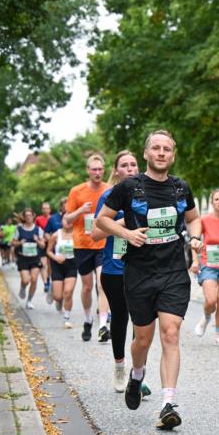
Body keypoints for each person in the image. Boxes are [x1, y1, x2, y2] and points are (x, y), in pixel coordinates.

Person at [97, 129, 202, 430]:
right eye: (155, 148)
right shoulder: (129, 188)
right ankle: (137, 374)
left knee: (170, 333)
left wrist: (195, 238)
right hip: (139, 273)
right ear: (146, 153)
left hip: (172, 273)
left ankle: (168, 403)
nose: (160, 153)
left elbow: (193, 218)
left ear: (172, 154)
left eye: (166, 149)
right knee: (142, 338)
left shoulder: (181, 189)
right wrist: (126, 233)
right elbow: (102, 219)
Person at [90, 150, 146, 392]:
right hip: (114, 269)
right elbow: (96, 233)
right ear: (116, 171)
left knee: (142, 323)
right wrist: (123, 222)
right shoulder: (108, 196)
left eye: (134, 164)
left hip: (143, 267)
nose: (130, 168)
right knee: (120, 318)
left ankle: (138, 375)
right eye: (124, 165)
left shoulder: (145, 195)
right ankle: (120, 368)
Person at [64, 154, 111, 344]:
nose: (97, 172)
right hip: (82, 244)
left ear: (104, 170)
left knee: (102, 284)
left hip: (102, 243)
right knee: (87, 287)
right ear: (88, 170)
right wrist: (80, 211)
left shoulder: (108, 190)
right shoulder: (77, 191)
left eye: (100, 169)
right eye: (94, 169)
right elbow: (67, 219)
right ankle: (87, 319)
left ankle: (102, 325)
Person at [192, 189, 219, 347]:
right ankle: (206, 317)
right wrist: (195, 261)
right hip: (208, 264)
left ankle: (218, 334)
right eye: (216, 199)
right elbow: (195, 241)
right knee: (211, 301)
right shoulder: (204, 220)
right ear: (212, 202)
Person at [46, 216, 78, 328]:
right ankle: (53, 290)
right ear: (62, 221)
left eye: (70, 220)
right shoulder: (56, 235)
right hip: (57, 265)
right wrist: (55, 257)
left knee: (68, 292)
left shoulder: (77, 234)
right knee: (58, 297)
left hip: (72, 265)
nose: (68, 222)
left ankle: (67, 318)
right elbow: (48, 251)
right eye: (65, 219)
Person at [12, 208, 46, 309]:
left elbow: (43, 245)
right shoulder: (19, 229)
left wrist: (37, 240)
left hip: (35, 258)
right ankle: (23, 287)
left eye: (30, 215)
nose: (28, 217)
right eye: (26, 215)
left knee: (34, 279)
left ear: (33, 216)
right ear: (24, 217)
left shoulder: (38, 230)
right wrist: (19, 243)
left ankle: (29, 301)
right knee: (26, 280)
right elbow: (13, 242)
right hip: (23, 258)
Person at [35, 201, 52, 294]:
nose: (46, 210)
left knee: (50, 265)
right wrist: (39, 240)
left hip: (51, 244)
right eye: (44, 208)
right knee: (43, 264)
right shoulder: (38, 219)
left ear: (50, 210)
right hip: (42, 244)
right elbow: (36, 231)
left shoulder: (53, 219)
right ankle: (45, 283)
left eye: (47, 208)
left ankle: (48, 279)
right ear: (41, 210)